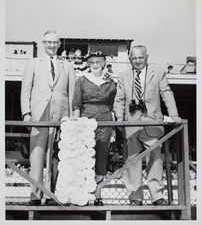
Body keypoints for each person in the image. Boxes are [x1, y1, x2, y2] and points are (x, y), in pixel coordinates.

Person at [114, 45, 181, 206]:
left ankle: (157, 197)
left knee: (155, 160)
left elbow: (166, 93)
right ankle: (135, 198)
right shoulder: (123, 76)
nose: (137, 61)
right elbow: (119, 100)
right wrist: (119, 119)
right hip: (131, 125)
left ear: (146, 57)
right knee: (132, 161)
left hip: (152, 122)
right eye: (134, 58)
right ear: (130, 59)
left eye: (140, 58)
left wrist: (174, 115)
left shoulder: (157, 72)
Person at [21, 30, 76, 205]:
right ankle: (36, 196)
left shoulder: (67, 66)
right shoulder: (33, 63)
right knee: (37, 155)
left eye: (55, 42)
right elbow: (25, 90)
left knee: (58, 157)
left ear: (59, 44)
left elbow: (72, 94)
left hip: (61, 117)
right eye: (48, 42)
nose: (51, 45)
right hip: (39, 115)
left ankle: (54, 195)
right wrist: (26, 113)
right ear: (43, 44)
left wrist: (71, 117)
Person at [72, 53, 117, 206]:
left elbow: (113, 108)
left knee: (102, 158)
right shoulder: (81, 81)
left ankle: (98, 194)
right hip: (85, 122)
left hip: (105, 124)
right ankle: (83, 196)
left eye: (98, 62)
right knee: (84, 158)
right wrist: (77, 128)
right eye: (91, 62)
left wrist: (114, 131)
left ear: (104, 63)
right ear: (88, 65)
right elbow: (76, 105)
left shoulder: (111, 83)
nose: (95, 64)